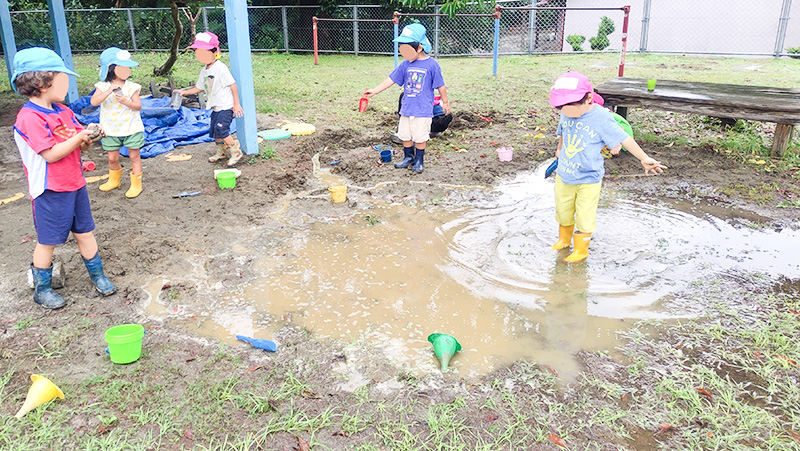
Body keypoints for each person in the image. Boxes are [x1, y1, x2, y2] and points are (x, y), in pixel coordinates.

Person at [11, 47, 116, 309]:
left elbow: (80, 144)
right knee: (48, 241)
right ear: (41, 81)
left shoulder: (62, 111)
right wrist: (78, 138)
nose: (67, 83)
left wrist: (89, 137)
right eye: (62, 78)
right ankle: (42, 289)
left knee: (85, 232)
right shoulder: (29, 117)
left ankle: (98, 275)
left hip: (75, 183)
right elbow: (50, 154)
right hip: (50, 189)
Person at [549, 71, 666, 262]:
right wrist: (559, 149)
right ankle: (564, 240)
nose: (566, 109)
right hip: (565, 174)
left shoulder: (602, 117)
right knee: (563, 211)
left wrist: (643, 158)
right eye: (562, 106)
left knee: (585, 216)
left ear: (588, 98)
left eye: (570, 105)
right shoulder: (567, 111)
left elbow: (623, 138)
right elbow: (563, 131)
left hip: (588, 179)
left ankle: (581, 250)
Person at [364, 23, 450, 173]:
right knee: (405, 135)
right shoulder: (405, 65)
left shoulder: (432, 65)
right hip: (407, 108)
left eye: (406, 48)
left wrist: (446, 102)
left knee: (420, 137)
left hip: (422, 110)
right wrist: (375, 90)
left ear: (419, 48)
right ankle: (408, 157)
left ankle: (419, 161)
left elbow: (440, 85)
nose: (403, 52)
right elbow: (391, 79)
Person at [174, 32, 244, 166]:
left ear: (215, 52)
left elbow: (233, 85)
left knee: (222, 129)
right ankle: (221, 152)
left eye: (204, 52)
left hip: (226, 106)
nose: (201, 55)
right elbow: (199, 88)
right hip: (215, 107)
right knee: (215, 132)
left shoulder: (220, 68)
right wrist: (183, 93)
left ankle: (236, 152)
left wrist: (236, 104)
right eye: (198, 52)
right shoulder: (204, 70)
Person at [90, 47, 145, 198]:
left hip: (131, 128)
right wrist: (108, 91)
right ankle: (114, 180)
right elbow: (93, 102)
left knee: (134, 157)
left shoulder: (132, 87)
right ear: (111, 69)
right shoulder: (102, 86)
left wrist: (127, 102)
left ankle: (136, 184)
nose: (127, 70)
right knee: (112, 158)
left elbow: (138, 106)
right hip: (110, 129)